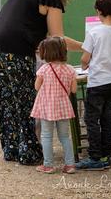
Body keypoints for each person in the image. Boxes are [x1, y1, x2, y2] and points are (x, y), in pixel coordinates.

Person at [0, 0, 82, 165]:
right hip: (17, 50)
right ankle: (29, 152)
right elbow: (57, 38)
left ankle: (11, 149)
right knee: (26, 101)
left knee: (7, 101)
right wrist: (85, 47)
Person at [75, 0, 111, 170]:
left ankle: (94, 157)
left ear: (98, 11)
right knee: (108, 120)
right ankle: (106, 156)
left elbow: (85, 58)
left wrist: (85, 66)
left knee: (91, 120)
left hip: (97, 83)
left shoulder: (94, 32)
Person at [31, 37, 77, 174]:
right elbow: (74, 90)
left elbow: (36, 86)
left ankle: (48, 165)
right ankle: (70, 165)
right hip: (63, 108)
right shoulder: (70, 69)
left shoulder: (44, 69)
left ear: (46, 53)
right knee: (64, 137)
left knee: (46, 136)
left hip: (47, 108)